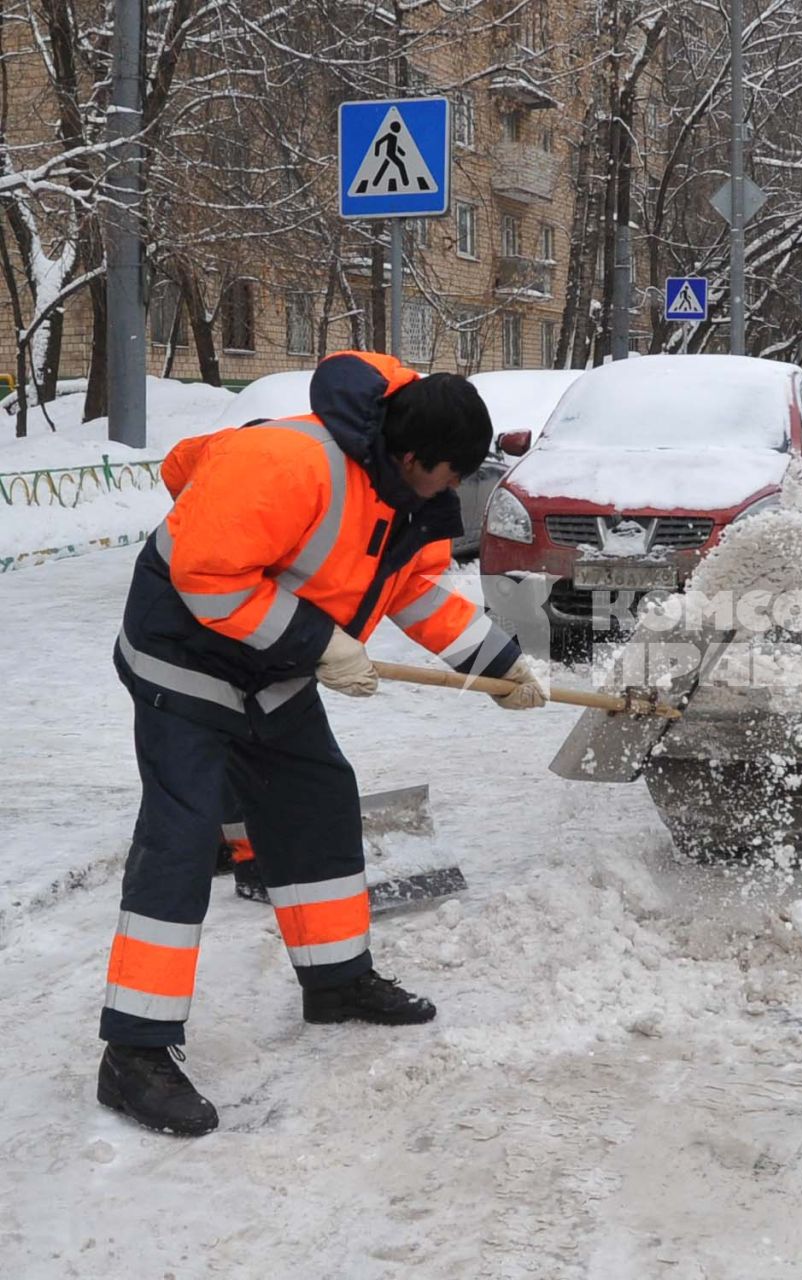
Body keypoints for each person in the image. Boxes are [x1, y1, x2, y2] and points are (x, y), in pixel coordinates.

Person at [97, 350, 547, 1137]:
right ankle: (132, 1054)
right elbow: (208, 577)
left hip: (271, 663)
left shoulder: (402, 495)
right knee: (181, 834)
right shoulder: (288, 460)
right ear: (413, 458)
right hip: (182, 655)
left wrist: (500, 668)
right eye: (449, 475)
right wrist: (317, 644)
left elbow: (410, 592)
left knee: (317, 801)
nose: (453, 491)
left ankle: (336, 982)